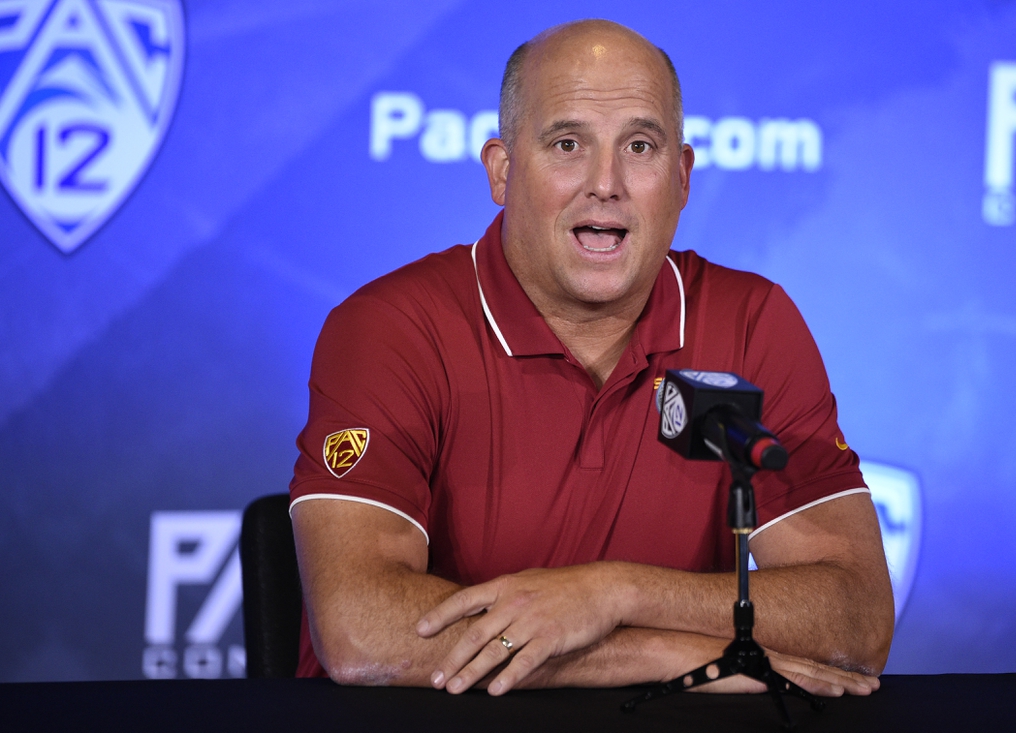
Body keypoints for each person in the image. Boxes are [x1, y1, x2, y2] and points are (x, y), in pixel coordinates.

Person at [289, 19, 893, 697]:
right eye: (568, 143)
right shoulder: (390, 328)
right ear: (502, 169)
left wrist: (615, 592)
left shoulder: (753, 324)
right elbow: (363, 630)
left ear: (683, 177)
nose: (606, 183)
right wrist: (665, 655)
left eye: (640, 145)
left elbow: (856, 618)